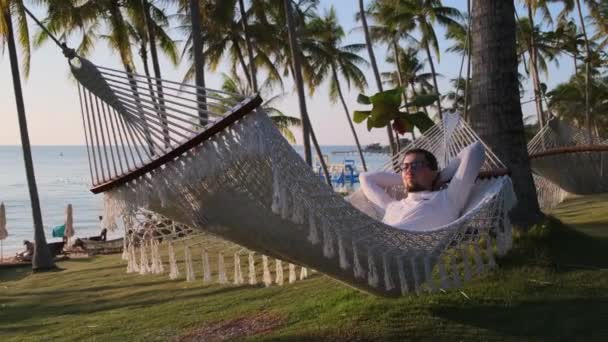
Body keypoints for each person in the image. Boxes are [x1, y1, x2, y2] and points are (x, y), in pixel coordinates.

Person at [359, 141, 485, 231]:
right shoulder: (391, 205)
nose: (409, 170)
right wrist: (407, 178)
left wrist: (440, 177)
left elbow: (475, 150)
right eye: (405, 166)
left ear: (433, 171)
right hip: (373, 247)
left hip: (393, 250)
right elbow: (365, 178)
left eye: (417, 165)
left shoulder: (449, 198)